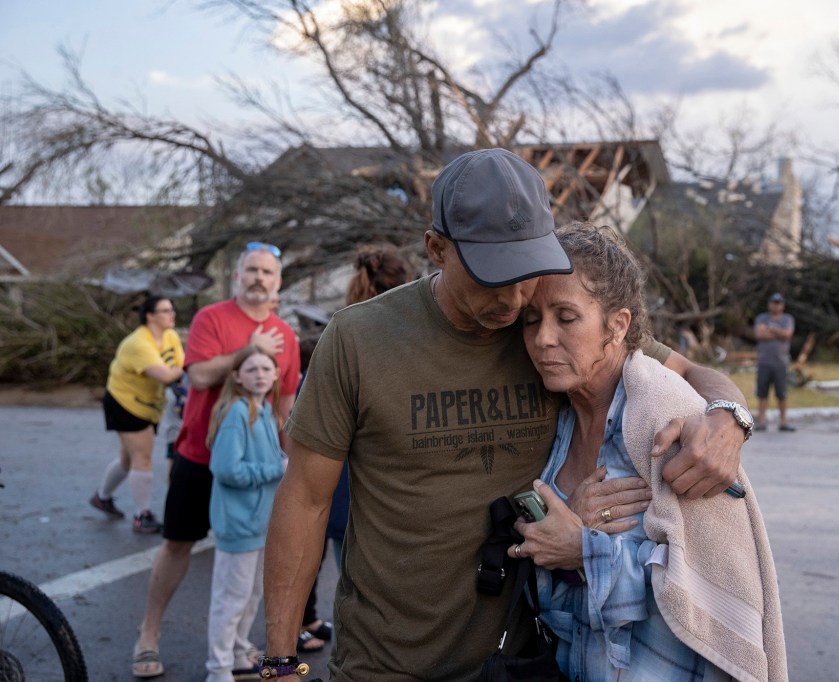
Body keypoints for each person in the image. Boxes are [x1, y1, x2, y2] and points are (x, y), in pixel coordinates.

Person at [261, 148, 750, 681]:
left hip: (515, 660)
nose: (516, 299)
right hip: (384, 663)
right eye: (493, 276)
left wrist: (729, 418)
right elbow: (305, 500)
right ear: (436, 249)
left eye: (526, 272)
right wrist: (280, 660)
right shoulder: (357, 340)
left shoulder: (547, 333)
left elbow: (691, 371)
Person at [512, 223, 786, 681]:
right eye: (532, 320)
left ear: (618, 326)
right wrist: (555, 538)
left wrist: (584, 551)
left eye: (566, 317)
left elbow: (708, 595)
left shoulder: (666, 420)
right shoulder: (559, 417)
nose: (543, 339)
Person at [131, 243, 300, 679]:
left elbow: (286, 404)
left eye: (267, 272)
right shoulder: (212, 318)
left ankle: (239, 648)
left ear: (278, 282)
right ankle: (147, 636)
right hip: (200, 458)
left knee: (252, 562)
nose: (259, 277)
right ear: (237, 277)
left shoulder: (286, 333)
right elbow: (201, 375)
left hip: (256, 474)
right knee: (176, 544)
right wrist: (250, 348)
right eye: (252, 270)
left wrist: (292, 465)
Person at [297, 242, 418, 657]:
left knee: (353, 588)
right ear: (406, 285)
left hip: (341, 493)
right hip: (393, 498)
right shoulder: (414, 344)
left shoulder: (337, 340)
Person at [205, 346, 287, 682]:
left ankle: (238, 654)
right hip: (239, 524)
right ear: (237, 376)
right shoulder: (237, 411)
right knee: (230, 600)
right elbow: (226, 469)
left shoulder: (265, 409)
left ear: (276, 374)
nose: (260, 375)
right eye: (251, 369)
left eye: (266, 369)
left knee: (252, 595)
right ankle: (218, 669)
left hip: (261, 523)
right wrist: (277, 468)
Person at [90, 296, 184, 534]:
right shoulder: (138, 343)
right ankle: (142, 515)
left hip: (148, 405)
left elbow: (179, 365)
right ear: (150, 316)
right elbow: (165, 375)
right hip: (125, 403)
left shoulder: (170, 335)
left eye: (171, 309)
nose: (172, 314)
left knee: (127, 458)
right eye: (165, 310)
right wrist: (191, 369)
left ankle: (102, 497)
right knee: (142, 457)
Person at [754, 292, 796, 432]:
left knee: (782, 394)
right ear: (769, 304)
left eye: (778, 303)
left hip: (781, 362)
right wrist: (779, 333)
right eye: (773, 303)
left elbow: (787, 334)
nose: (776, 306)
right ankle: (761, 421)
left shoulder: (787, 319)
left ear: (782, 305)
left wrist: (770, 329)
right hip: (764, 361)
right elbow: (759, 334)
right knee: (762, 393)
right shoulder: (762, 318)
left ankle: (783, 422)